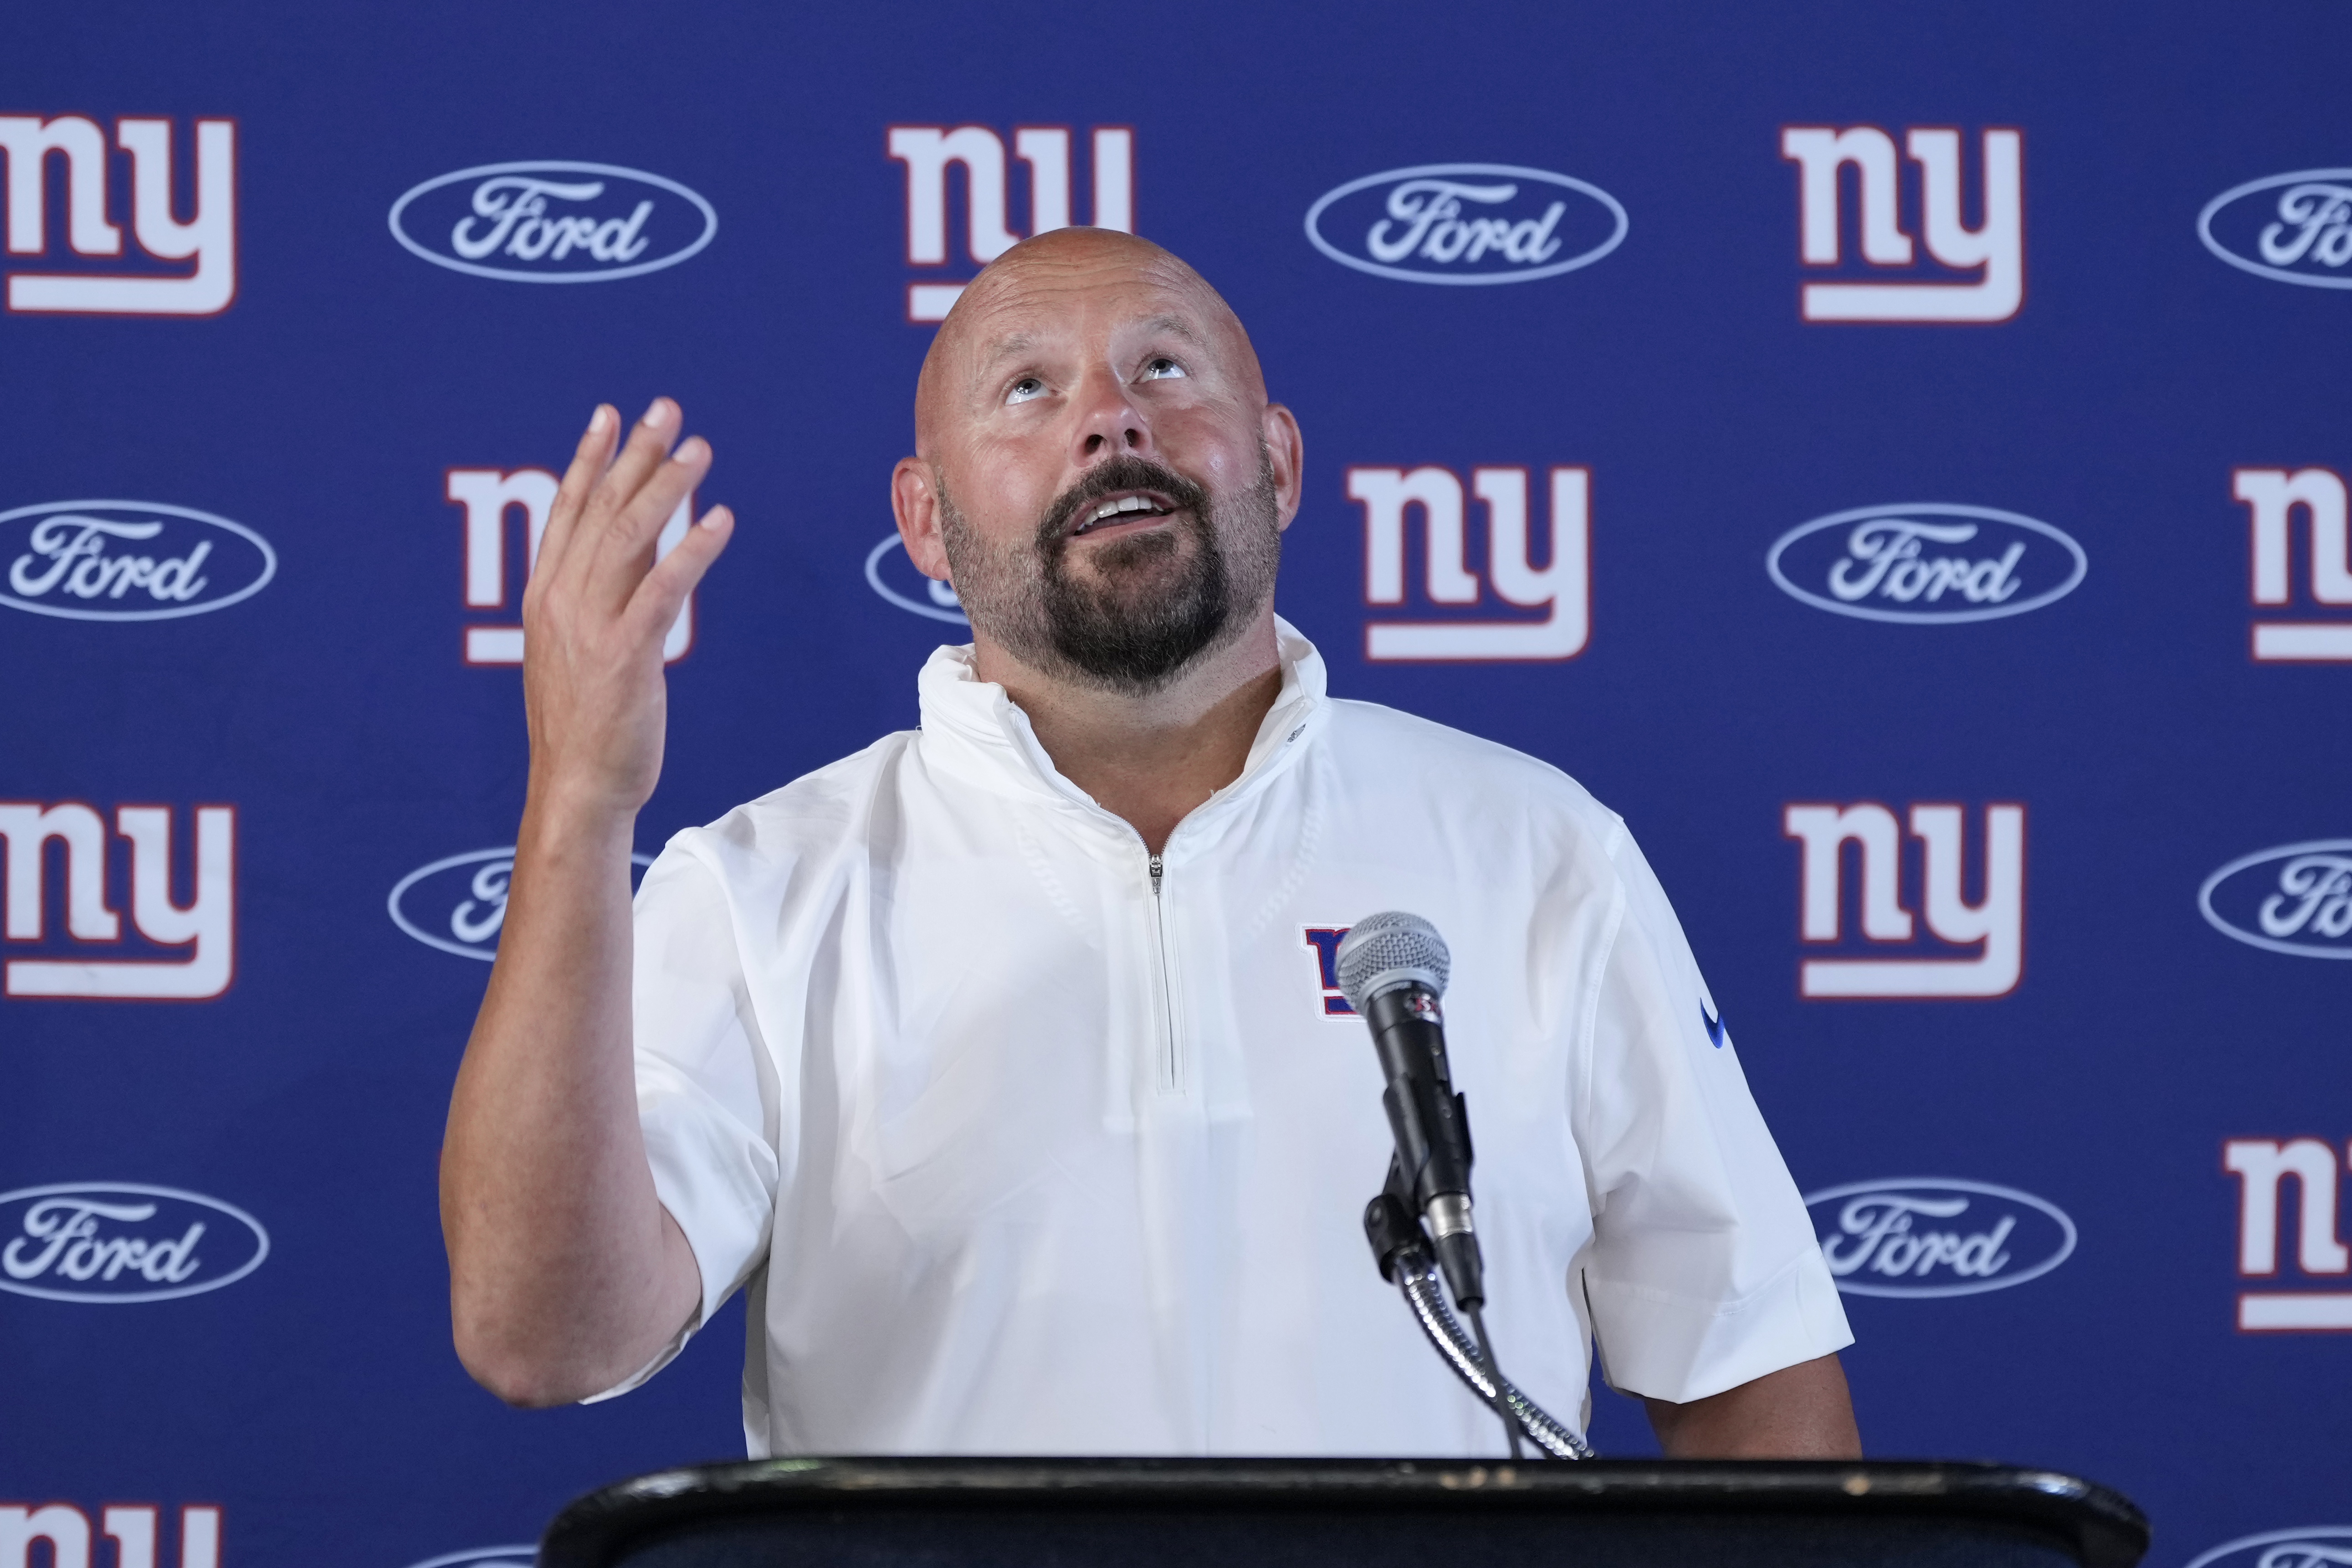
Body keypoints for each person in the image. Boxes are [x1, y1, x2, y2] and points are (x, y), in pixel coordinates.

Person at [438, 227, 1860, 1460]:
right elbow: (539, 1335)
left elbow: (1747, 1365)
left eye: (1164, 370)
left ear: (1281, 461)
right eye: (1027, 389)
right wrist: (578, 804)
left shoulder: (1534, 847)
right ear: (925, 523)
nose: (1109, 421)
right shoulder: (768, 886)